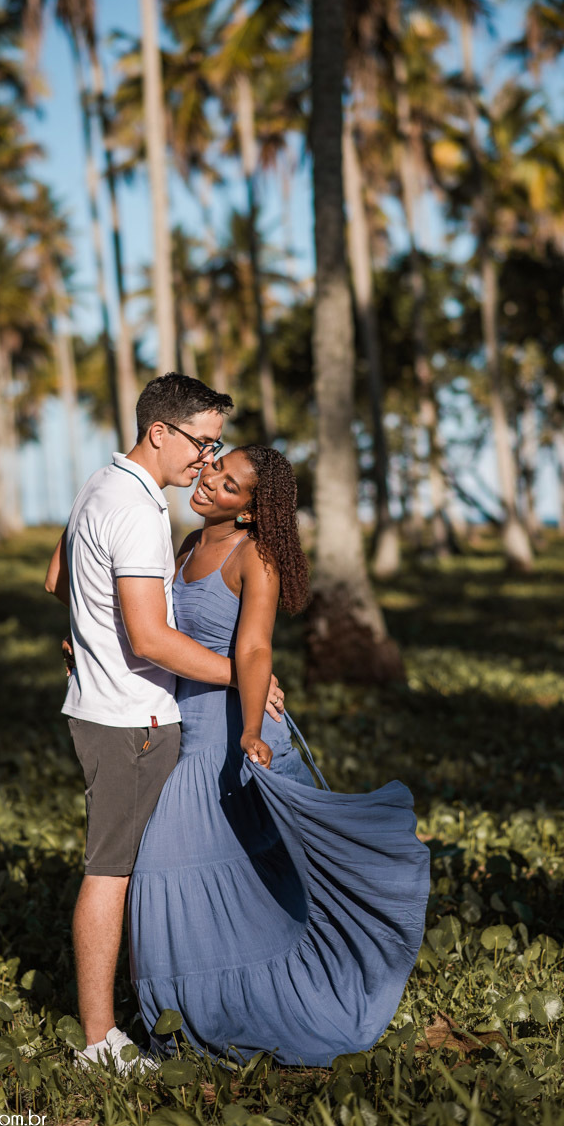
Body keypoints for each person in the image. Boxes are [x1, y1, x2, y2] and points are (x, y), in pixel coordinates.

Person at [127, 445, 431, 1066]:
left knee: (182, 867)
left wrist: (249, 729)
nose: (211, 481)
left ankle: (223, 1010)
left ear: (248, 511)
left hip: (233, 729)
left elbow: (257, 649)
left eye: (231, 485)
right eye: (216, 468)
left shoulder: (254, 556)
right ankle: (182, 1017)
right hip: (183, 724)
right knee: (200, 875)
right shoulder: (186, 544)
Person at [44, 374, 285, 1075]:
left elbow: (58, 575)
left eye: (215, 446)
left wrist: (83, 635)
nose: (206, 460)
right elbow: (150, 640)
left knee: (129, 869)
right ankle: (99, 1040)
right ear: (160, 432)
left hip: (102, 707)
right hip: (132, 718)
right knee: (111, 873)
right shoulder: (140, 511)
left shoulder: (101, 484)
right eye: (202, 442)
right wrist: (246, 679)